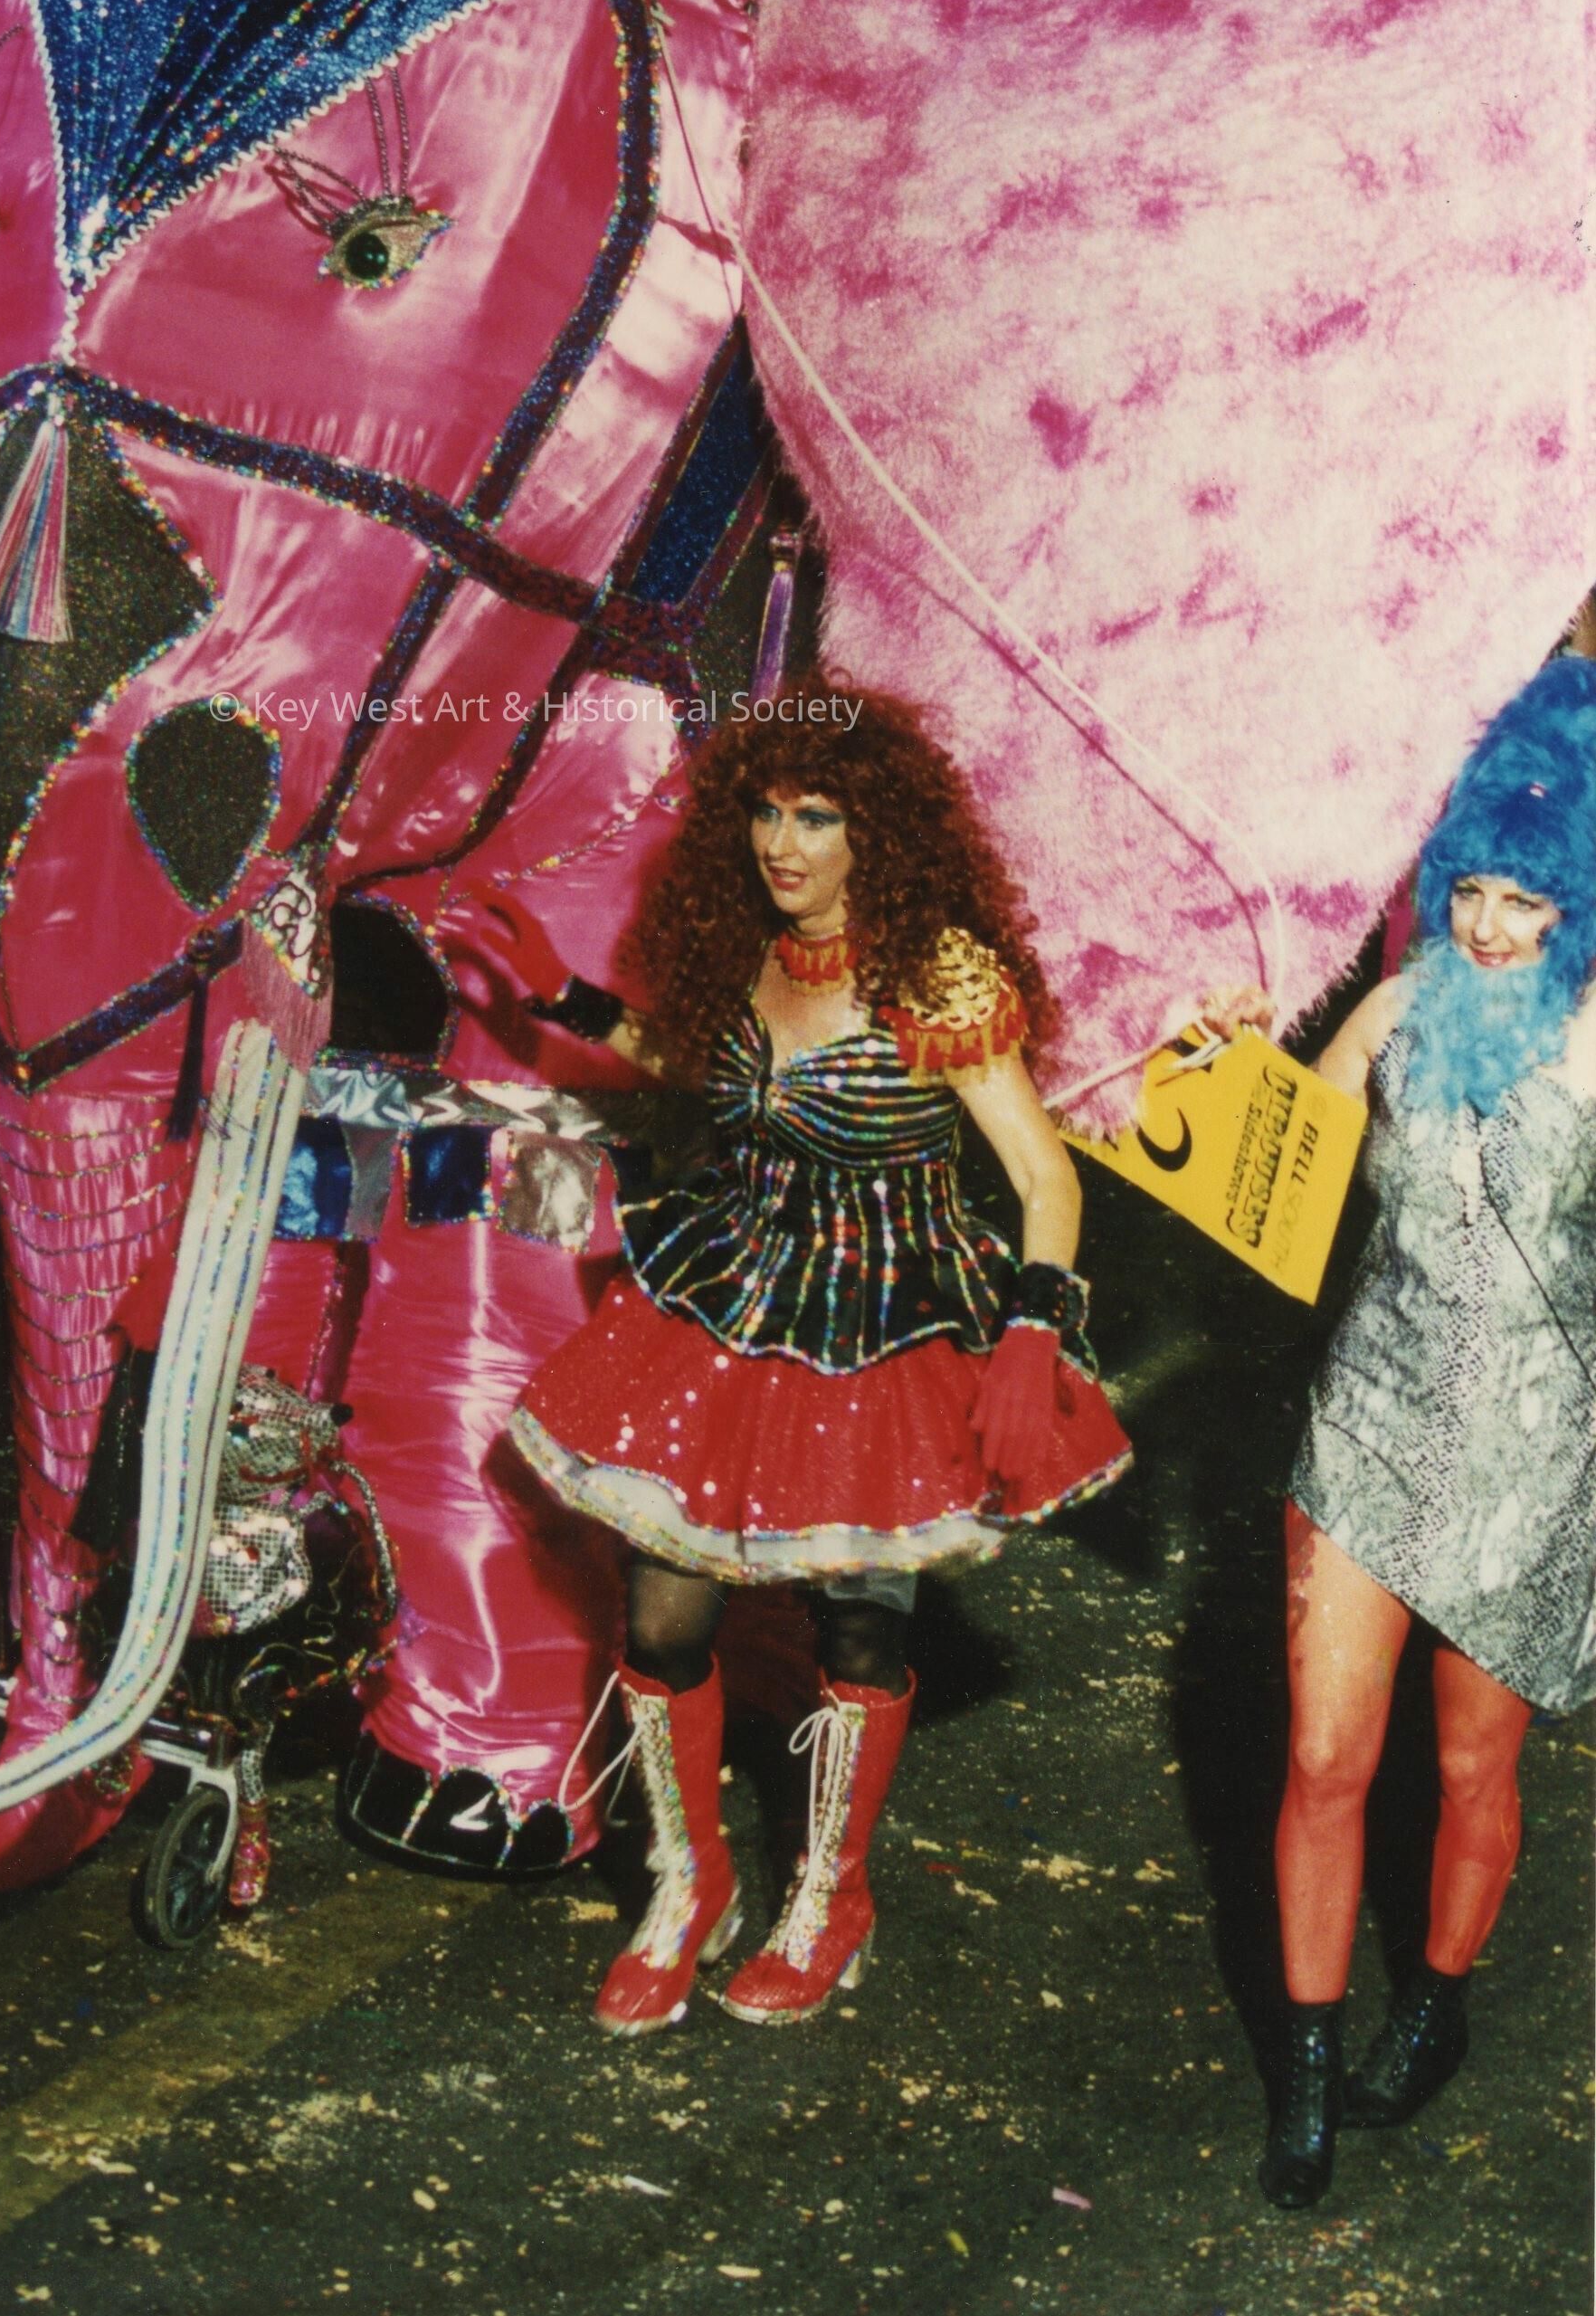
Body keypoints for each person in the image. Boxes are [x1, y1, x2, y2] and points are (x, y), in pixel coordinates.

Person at [510, 686, 1131, 2033]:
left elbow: (1045, 1176)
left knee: (857, 1619)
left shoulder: (937, 974)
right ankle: (689, 1881)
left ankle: (829, 1895)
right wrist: (562, 997)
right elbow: (697, 1066)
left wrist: (1033, 1325)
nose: (780, 842)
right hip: (735, 1294)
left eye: (816, 816)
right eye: (764, 811)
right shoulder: (746, 940)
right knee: (662, 1616)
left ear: (876, 834)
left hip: (887, 1323)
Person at [1202, 657, 1596, 2207]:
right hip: (1370, 1413)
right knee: (1322, 1754)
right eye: (1472, 887)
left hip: (1530, 1446)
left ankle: (1433, 2001)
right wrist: (1234, 1056)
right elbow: (1268, 1185)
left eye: (1528, 899)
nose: (1488, 926)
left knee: (1473, 1759)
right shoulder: (1396, 1006)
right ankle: (1303, 2067)